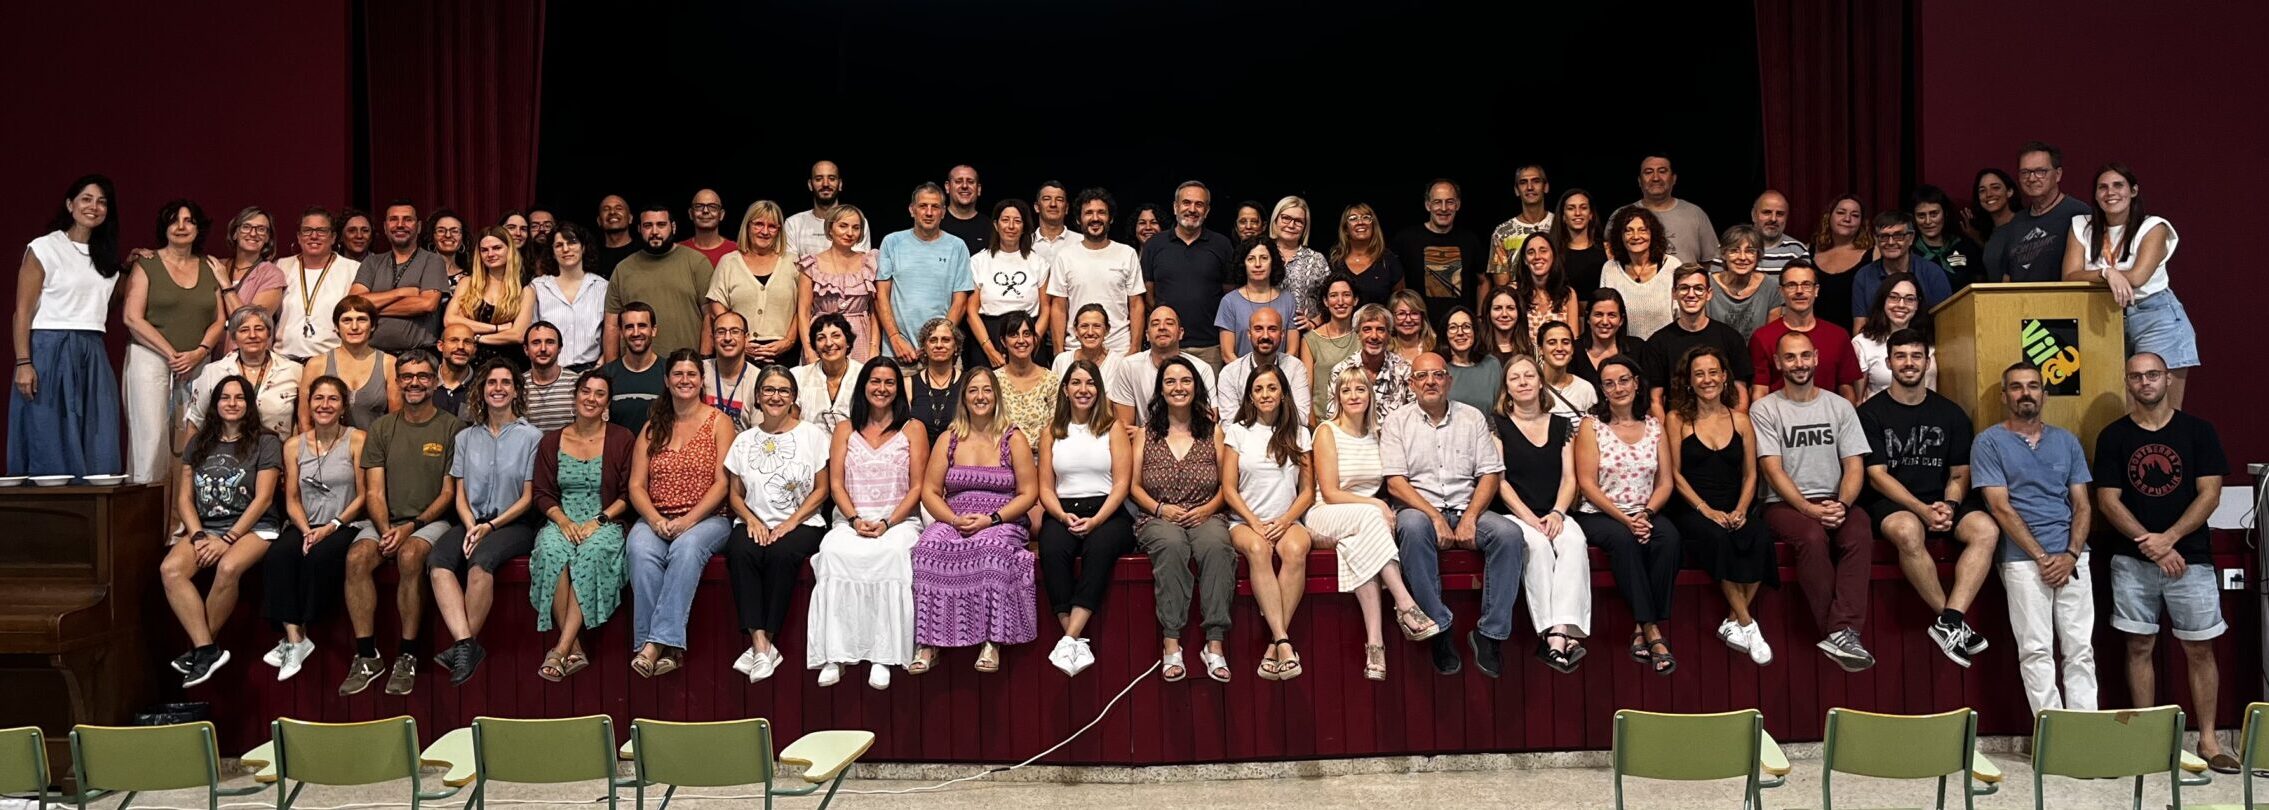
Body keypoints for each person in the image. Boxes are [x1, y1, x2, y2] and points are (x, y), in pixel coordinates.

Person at [2095, 352, 2234, 771]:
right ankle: (2148, 740)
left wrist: (2170, 539)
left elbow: (2210, 494)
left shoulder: (2199, 432)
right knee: (2139, 646)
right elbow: (2108, 500)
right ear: (2128, 383)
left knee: (2199, 648)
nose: (2145, 382)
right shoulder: (2113, 436)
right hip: (2131, 560)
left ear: (2168, 379)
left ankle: (2208, 740)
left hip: (2191, 560)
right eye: (2136, 376)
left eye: (2152, 374)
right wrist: (2150, 544)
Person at [1856, 328, 1996, 666]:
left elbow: (1960, 473)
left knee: (1986, 530)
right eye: (1901, 356)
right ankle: (1951, 622)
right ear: (1888, 362)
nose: (1909, 363)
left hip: (1941, 499)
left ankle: (1950, 619)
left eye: (1916, 356)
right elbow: (1877, 476)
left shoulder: (1951, 413)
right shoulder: (1870, 413)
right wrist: (1922, 510)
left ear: (1927, 362)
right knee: (1907, 531)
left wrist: (1949, 505)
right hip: (1894, 502)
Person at [1383, 353, 1521, 677]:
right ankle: (1439, 627)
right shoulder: (1396, 421)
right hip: (1419, 509)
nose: (1430, 382)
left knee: (1509, 534)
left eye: (1437, 375)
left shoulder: (1472, 418)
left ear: (1449, 380)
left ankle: (1490, 634)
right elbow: (1395, 483)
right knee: (1411, 528)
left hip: (1466, 507)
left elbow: (1489, 474)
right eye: (1422, 376)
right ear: (1411, 383)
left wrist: (1470, 517)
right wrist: (1435, 517)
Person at [338, 350, 464, 697]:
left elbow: (448, 494)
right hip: (386, 520)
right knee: (356, 558)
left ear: (434, 382)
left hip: (431, 521)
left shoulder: (452, 428)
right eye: (407, 376)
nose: (414, 383)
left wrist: (410, 528)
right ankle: (367, 656)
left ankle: (407, 655)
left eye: (422, 376)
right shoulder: (382, 428)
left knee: (410, 556)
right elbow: (374, 491)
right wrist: (385, 529)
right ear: (397, 382)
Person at [1973, 362, 2095, 713]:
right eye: (2016, 386)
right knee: (2036, 650)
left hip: (2074, 558)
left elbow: (2082, 505)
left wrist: (2071, 554)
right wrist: (2043, 558)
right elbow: (2001, 508)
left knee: (2080, 649)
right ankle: (2053, 732)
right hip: (2022, 561)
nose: (2025, 393)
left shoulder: (2067, 441)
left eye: (2032, 386)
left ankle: (2088, 729)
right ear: (2004, 396)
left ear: (2044, 394)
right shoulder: (1989, 442)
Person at [1752, 331, 1877, 672]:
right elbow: (1772, 470)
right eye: (1790, 357)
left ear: (1817, 358)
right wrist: (1808, 509)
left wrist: (1843, 505)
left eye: (1805, 356)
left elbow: (1854, 465)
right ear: (1778, 363)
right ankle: (1837, 632)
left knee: (1859, 529)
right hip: (1783, 504)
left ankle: (1844, 631)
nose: (1799, 364)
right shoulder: (1764, 409)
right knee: (1811, 536)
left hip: (1835, 500)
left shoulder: (1840, 406)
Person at [1308, 366, 1438, 681]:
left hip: (1362, 524)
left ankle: (1375, 646)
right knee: (1371, 518)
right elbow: (1330, 492)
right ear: (1338, 397)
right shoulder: (1326, 431)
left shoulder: (1376, 434)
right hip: (1326, 514)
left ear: (1370, 395)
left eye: (1360, 389)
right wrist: (1377, 505)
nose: (1353, 396)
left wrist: (1376, 507)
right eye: (1346, 390)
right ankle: (1405, 604)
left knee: (1359, 546)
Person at [911, 366, 1040, 674]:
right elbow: (930, 492)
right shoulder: (950, 438)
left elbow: (1029, 493)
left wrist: (992, 519)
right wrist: (954, 520)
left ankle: (992, 641)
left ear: (996, 396)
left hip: (1002, 519)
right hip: (956, 517)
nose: (980, 397)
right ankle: (928, 642)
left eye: (986, 390)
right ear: (964, 398)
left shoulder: (1013, 438)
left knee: (991, 549)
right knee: (927, 548)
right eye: (973, 390)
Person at [809, 362, 929, 689]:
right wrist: (853, 519)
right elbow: (836, 484)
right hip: (852, 518)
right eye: (875, 381)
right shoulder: (844, 429)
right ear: (863, 385)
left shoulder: (913, 429)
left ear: (898, 389)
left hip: (899, 519)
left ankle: (883, 655)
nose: (882, 388)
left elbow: (918, 486)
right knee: (833, 552)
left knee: (891, 555)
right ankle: (835, 654)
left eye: (889, 382)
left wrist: (889, 522)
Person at [158, 376, 283, 686]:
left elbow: (264, 498)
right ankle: (206, 649)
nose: (232, 403)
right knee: (170, 570)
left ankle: (201, 651)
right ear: (215, 404)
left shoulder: (266, 441)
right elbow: (184, 499)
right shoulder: (198, 442)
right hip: (206, 527)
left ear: (249, 404)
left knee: (227, 567)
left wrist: (228, 539)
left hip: (254, 527)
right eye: (225, 397)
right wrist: (199, 536)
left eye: (239, 397)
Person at [427, 359, 543, 685]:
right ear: (482, 389)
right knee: (438, 561)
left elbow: (527, 498)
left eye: (506, 382)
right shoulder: (465, 438)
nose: (498, 388)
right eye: (492, 382)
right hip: (471, 520)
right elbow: (460, 494)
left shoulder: (532, 437)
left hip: (514, 523)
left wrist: (489, 528)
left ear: (516, 391)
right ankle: (466, 644)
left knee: (481, 562)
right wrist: (470, 525)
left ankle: (463, 647)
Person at [625, 349, 735, 678]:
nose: (684, 380)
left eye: (691, 374)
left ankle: (652, 644)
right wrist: (654, 519)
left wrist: (688, 521)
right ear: (667, 380)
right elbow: (636, 486)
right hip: (657, 516)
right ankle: (665, 649)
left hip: (708, 518)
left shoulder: (719, 422)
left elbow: (723, 483)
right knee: (639, 548)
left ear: (701, 381)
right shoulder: (652, 427)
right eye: (678, 374)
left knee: (686, 549)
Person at [1665, 346, 1775, 665]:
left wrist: (1741, 509)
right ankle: (1748, 624)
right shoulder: (1677, 419)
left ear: (1725, 377)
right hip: (1692, 508)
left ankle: (1732, 620)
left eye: (1713, 372)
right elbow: (1674, 474)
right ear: (1689, 381)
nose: (1707, 379)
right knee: (1718, 538)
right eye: (1699, 374)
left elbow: (1751, 474)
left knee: (1760, 536)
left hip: (1734, 504)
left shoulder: (1741, 420)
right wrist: (1706, 510)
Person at [1572, 356, 1681, 675]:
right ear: (1602, 390)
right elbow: (1587, 484)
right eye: (1609, 383)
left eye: (1623, 380)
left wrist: (1645, 514)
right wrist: (1627, 520)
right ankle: (1652, 630)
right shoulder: (1591, 425)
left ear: (1636, 383)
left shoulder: (1654, 425)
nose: (1617, 388)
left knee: (1670, 539)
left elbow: (1665, 482)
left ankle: (1640, 626)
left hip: (1645, 510)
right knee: (1625, 541)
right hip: (1600, 513)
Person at [722, 365, 831, 684]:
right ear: (757, 396)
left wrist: (791, 523)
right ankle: (761, 646)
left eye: (784, 390)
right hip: (753, 520)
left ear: (794, 397)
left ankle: (762, 645)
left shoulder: (812, 435)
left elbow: (822, 489)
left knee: (781, 554)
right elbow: (735, 495)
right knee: (740, 551)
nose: (776, 396)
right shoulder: (744, 440)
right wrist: (751, 519)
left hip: (803, 522)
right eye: (768, 390)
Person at [1131, 356, 1235, 683]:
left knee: (1217, 547)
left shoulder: (1213, 432)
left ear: (1196, 387)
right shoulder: (1146, 433)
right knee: (1172, 545)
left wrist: (1209, 508)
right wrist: (1160, 509)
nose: (1179, 387)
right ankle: (1171, 642)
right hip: (1158, 516)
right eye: (1171, 381)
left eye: (1186, 381)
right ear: (1160, 390)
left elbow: (1227, 485)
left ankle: (1214, 643)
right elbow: (1133, 486)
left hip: (1206, 512)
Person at [11, 175, 124, 478]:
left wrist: (132, 265)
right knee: (49, 431)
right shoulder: (45, 247)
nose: (93, 207)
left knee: (97, 432)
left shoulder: (107, 257)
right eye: (86, 199)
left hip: (92, 349)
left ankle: (93, 504)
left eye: (101, 202)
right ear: (70, 204)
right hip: (49, 347)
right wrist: (23, 362)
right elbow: (22, 312)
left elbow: (103, 305)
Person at [2064, 163, 2199, 410]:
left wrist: (2106, 275)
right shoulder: (2081, 226)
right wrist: (2107, 272)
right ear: (2095, 195)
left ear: (2133, 191)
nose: (2110, 192)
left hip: (2155, 316)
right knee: (2117, 410)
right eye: (2103, 187)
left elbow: (2137, 277)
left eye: (2118, 185)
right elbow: (2070, 277)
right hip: (2103, 317)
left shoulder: (2154, 226)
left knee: (2162, 411)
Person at [528, 370, 632, 683]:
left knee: (592, 553)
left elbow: (628, 493)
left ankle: (560, 649)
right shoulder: (552, 441)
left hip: (605, 519)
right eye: (585, 391)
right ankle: (573, 648)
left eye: (600, 394)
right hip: (562, 518)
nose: (591, 399)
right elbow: (542, 493)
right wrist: (562, 521)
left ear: (608, 403)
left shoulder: (621, 438)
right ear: (574, 396)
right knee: (549, 551)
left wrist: (599, 521)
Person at [1035, 360, 1137, 676]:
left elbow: (1122, 484)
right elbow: (1045, 488)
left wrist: (1096, 520)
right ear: (1065, 390)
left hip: (1108, 511)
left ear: (1099, 389)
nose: (1083, 389)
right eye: (1076, 383)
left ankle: (1068, 639)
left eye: (1090, 383)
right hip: (1063, 511)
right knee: (1052, 548)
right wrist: (1061, 516)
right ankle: (1073, 640)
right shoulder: (1051, 431)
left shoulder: (1112, 427)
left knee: (1100, 548)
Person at [260, 375, 364, 682]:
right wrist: (306, 530)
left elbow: (364, 495)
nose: (325, 405)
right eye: (318, 398)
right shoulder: (294, 445)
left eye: (332, 399)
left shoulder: (358, 439)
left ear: (343, 406)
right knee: (278, 555)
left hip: (345, 522)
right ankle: (295, 637)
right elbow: (292, 498)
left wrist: (331, 527)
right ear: (309, 404)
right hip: (305, 523)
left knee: (318, 558)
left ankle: (299, 634)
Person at [1494, 354, 1592, 673]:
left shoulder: (1562, 425)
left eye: (1529, 376)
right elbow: (1500, 482)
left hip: (1554, 511)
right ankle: (1551, 633)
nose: (1523, 382)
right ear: (1507, 388)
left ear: (1540, 382)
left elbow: (1570, 478)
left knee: (1574, 543)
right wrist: (1529, 519)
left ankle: (1560, 631)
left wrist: (1558, 513)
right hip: (1516, 514)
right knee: (1536, 546)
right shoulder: (1498, 425)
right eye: (1515, 378)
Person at [1217, 365, 1316, 681]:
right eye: (1258, 389)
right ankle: (1284, 640)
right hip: (1245, 522)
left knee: (1297, 549)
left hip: (1287, 519)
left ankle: (1275, 645)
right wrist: (1254, 522)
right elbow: (1229, 489)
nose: (1265, 395)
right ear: (1249, 396)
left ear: (1283, 393)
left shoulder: (1300, 433)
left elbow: (1308, 491)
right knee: (1259, 549)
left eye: (1272, 388)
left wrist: (1286, 521)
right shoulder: (1238, 432)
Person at [124, 202, 224, 483]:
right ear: (164, 227)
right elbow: (132, 317)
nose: (181, 226)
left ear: (198, 228)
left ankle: (185, 510)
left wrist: (199, 353)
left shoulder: (209, 266)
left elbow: (220, 320)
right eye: (174, 220)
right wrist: (172, 355)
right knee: (151, 439)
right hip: (151, 357)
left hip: (198, 361)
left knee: (193, 438)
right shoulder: (147, 263)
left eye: (189, 220)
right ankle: (145, 507)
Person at [875, 183, 975, 363]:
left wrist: (938, 342)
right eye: (923, 206)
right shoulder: (892, 242)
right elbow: (881, 295)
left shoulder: (957, 246)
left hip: (942, 353)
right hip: (898, 351)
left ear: (943, 212)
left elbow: (960, 302)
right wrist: (895, 338)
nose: (929, 212)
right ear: (912, 210)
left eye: (935, 207)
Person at [1142, 181, 1236, 370]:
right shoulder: (1155, 245)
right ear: (1175, 207)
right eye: (1186, 203)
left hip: (1209, 346)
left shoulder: (1222, 245)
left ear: (1207, 211)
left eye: (1199, 204)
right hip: (1166, 345)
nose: (1192, 209)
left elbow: (1229, 296)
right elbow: (1149, 297)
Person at [605, 204, 715, 359]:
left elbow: (710, 316)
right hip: (636, 367)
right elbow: (612, 325)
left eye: (661, 225)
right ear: (639, 229)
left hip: (686, 366)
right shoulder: (623, 269)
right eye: (648, 226)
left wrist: (704, 360)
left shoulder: (697, 262)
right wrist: (611, 369)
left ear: (673, 227)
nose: (654, 232)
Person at [1046, 188, 1146, 357]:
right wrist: (1059, 352)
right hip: (1076, 349)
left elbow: (1136, 304)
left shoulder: (1127, 253)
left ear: (1110, 218)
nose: (1095, 218)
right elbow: (1058, 307)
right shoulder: (1065, 256)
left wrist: (1134, 349)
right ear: (1078, 219)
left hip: (1119, 350)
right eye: (1088, 213)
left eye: (1101, 212)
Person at [705, 200, 801, 366]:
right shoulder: (729, 262)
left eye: (772, 226)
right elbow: (716, 305)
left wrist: (789, 341)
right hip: (737, 354)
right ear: (748, 226)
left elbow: (804, 309)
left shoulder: (793, 263)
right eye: (758, 224)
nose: (765, 231)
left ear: (779, 230)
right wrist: (738, 340)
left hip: (785, 355)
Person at [1645, 266, 1752, 415]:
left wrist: (1735, 426)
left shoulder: (1731, 338)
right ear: (1674, 293)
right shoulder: (1657, 343)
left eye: (1698, 288)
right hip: (1678, 425)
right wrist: (1668, 430)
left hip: (1725, 423)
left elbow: (1741, 395)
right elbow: (1655, 400)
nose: (1691, 294)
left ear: (1709, 294)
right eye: (1684, 288)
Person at [1749, 261, 1861, 402]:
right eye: (1791, 285)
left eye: (1806, 285)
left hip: (1828, 414)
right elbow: (1760, 392)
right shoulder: (1762, 337)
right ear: (1781, 291)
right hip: (1778, 414)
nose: (1799, 291)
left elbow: (1847, 391)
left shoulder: (1838, 336)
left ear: (1816, 290)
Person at [184, 306, 302, 439]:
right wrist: (188, 453)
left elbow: (303, 423)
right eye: (244, 330)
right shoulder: (213, 372)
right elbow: (195, 422)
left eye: (259, 329)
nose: (252, 335)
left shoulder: (293, 371)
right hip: (225, 450)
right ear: (233, 337)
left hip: (276, 449)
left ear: (269, 334)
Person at [349, 200, 449, 355]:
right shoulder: (371, 262)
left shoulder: (432, 260)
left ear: (419, 227)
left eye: (407, 219)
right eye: (393, 219)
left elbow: (427, 304)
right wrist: (401, 293)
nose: (400, 225)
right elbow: (354, 303)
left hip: (417, 356)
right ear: (385, 227)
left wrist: (371, 308)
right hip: (371, 355)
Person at [1988, 141, 2092, 283]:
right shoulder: (2017, 221)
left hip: (2063, 297)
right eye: (2025, 172)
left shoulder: (2079, 214)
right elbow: (2008, 277)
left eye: (2040, 171)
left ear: (2058, 174)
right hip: (2019, 297)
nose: (2031, 178)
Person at [967, 199, 1050, 368]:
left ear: (1024, 227)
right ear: (996, 225)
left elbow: (1046, 309)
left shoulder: (1038, 263)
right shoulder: (978, 261)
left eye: (1017, 221)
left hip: (1028, 337)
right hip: (989, 337)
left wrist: (1032, 342)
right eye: (1005, 220)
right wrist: (990, 350)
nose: (1011, 226)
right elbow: (971, 311)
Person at [1107, 306, 1219, 428]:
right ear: (1147, 335)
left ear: (1180, 333)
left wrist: (1146, 434)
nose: (1162, 327)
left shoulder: (1201, 369)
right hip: (1140, 440)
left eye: (1169, 323)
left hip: (1188, 438)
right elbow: (1125, 426)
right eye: (1155, 324)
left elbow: (1208, 424)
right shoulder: (1129, 366)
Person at [299, 296, 399, 432]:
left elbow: (395, 420)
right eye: (347, 320)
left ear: (373, 326)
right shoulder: (316, 364)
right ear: (336, 327)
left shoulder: (389, 363)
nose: (354, 327)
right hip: (325, 444)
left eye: (362, 319)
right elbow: (304, 421)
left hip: (375, 443)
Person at [1392, 179, 1490, 318]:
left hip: (1460, 325)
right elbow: (1395, 285)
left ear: (1457, 205)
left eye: (1450, 202)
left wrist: (1480, 317)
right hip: (1418, 325)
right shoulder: (1406, 239)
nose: (1444, 208)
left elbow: (1483, 281)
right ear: (1428, 205)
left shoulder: (1470, 240)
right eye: (1437, 202)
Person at [275, 206, 360, 362]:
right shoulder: (281, 267)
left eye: (321, 231)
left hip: (331, 360)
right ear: (299, 237)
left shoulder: (352, 269)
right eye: (307, 230)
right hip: (284, 359)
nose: (314, 236)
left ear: (333, 237)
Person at [798, 205, 881, 362]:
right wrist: (809, 350)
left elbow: (875, 311)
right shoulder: (811, 264)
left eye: (856, 228)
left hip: (859, 339)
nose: (850, 233)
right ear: (830, 228)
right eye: (843, 226)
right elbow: (803, 313)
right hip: (823, 337)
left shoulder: (869, 262)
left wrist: (874, 347)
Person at [446, 227, 534, 370]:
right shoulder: (467, 283)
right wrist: (497, 328)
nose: (490, 254)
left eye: (497, 248)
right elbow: (450, 320)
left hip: (509, 365)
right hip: (471, 365)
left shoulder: (525, 291)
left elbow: (518, 335)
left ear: (509, 250)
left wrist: (477, 338)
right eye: (484, 250)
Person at [1850, 213, 1952, 331]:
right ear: (1876, 240)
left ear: (1911, 238)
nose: (1891, 242)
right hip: (1876, 341)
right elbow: (1860, 328)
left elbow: (1946, 323)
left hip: (1923, 340)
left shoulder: (1932, 273)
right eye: (1884, 236)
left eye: (1898, 236)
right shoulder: (1864, 276)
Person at [1215, 307, 1311, 430]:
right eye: (1258, 329)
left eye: (1272, 329)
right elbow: (1229, 425)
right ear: (1249, 334)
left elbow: (1302, 417)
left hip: (1286, 437)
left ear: (1282, 334)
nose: (1265, 336)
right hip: (1245, 441)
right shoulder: (1230, 373)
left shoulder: (1295, 367)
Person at [533, 223, 608, 372]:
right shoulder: (538, 287)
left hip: (592, 371)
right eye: (559, 245)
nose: (566, 249)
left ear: (583, 247)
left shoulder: (602, 287)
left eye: (572, 242)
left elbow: (612, 332)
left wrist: (600, 366)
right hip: (550, 372)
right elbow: (531, 334)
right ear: (552, 253)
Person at [1600, 206, 1683, 339]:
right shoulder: (1610, 269)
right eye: (1628, 231)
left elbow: (1681, 316)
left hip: (1666, 347)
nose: (1636, 236)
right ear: (1620, 236)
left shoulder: (1672, 266)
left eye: (1642, 230)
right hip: (1625, 348)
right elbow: (1605, 314)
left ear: (1653, 234)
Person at [1852, 274, 1937, 400]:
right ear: (1883, 300)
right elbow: (1858, 401)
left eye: (1910, 299)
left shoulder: (1931, 338)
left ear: (1918, 304)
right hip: (1881, 412)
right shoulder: (1863, 343)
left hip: (1928, 411)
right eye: (1893, 297)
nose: (1901, 305)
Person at [1322, 304, 1414, 420]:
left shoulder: (1405, 371)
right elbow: (1333, 418)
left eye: (1380, 330)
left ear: (1389, 335)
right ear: (1358, 334)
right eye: (1367, 329)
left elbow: (1415, 417)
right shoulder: (1340, 371)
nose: (1374, 336)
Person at [1621, 154, 1718, 264]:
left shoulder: (1695, 214)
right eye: (1648, 172)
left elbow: (1713, 263)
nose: (1656, 178)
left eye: (1662, 171)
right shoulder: (1622, 216)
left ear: (1673, 178)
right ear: (1639, 180)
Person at [1215, 237, 1296, 363]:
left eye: (1264, 258)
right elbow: (1227, 354)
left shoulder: (1288, 300)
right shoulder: (1229, 302)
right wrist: (1250, 374)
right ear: (1243, 264)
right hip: (1241, 374)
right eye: (1251, 259)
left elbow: (1292, 351)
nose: (1258, 264)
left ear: (1273, 262)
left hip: (1281, 372)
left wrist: (1275, 374)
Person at [1297, 273, 1361, 416]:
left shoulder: (1363, 337)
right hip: (1323, 419)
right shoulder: (1310, 340)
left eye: (1346, 295)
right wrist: (1311, 420)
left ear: (1355, 300)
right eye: (1333, 296)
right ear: (1326, 301)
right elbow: (1306, 389)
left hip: (1358, 418)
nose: (1340, 301)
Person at [598, 303, 665, 433]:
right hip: (618, 445)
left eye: (642, 326)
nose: (636, 333)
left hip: (660, 445)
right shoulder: (606, 375)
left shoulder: (669, 372)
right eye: (629, 327)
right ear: (621, 333)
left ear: (653, 330)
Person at [792, 314, 865, 433]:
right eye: (821, 338)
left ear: (848, 342)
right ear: (815, 346)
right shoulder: (799, 376)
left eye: (836, 336)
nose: (829, 343)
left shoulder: (864, 375)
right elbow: (791, 424)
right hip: (810, 443)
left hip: (853, 443)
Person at [213, 207, 287, 325]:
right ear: (235, 233)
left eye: (261, 229)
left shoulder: (272, 275)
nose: (253, 233)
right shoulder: (217, 266)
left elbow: (250, 323)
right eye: (246, 227)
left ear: (267, 237)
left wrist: (226, 285)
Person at [1706, 224, 1782, 339]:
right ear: (1723, 254)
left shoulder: (1771, 287)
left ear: (1758, 256)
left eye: (1750, 251)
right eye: (1734, 250)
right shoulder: (1707, 285)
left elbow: (1771, 337)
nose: (1742, 257)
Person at [1487, 164, 1555, 289]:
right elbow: (1502, 287)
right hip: (1517, 299)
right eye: (1523, 182)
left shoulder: (1559, 224)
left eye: (1536, 181)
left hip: (1557, 297)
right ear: (1516, 190)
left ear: (1545, 187)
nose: (1530, 187)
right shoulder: (1502, 233)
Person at [1807, 196, 1870, 330]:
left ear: (1862, 223)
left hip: (1853, 335)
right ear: (1828, 217)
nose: (1847, 219)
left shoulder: (1873, 254)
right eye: (1841, 213)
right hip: (1810, 334)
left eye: (1855, 215)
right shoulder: (1808, 251)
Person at [1271, 196, 1332, 332]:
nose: (1291, 225)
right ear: (1275, 220)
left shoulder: (1316, 259)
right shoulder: (1262, 254)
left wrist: (1314, 323)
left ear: (1305, 227)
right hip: (1264, 335)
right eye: (1286, 218)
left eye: (1298, 221)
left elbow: (1333, 300)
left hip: (1305, 337)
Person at [1329, 203, 1404, 311]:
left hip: (1379, 322)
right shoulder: (1334, 261)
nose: (1360, 222)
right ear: (1345, 229)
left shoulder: (1389, 260)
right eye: (1353, 218)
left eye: (1366, 217)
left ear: (1373, 226)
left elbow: (1400, 304)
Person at [993, 312, 1058, 438]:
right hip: (1003, 449)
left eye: (1027, 334)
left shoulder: (1051, 380)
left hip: (1043, 449)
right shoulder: (993, 381)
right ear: (1003, 341)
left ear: (1034, 339)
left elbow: (1055, 428)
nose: (1021, 340)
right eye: (1014, 335)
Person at [786, 161, 868, 258]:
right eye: (818, 179)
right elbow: (790, 264)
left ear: (840, 184)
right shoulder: (793, 224)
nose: (825, 184)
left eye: (832, 179)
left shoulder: (857, 222)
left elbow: (858, 262)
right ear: (810, 185)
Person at [1911, 185, 1983, 291]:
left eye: (1934, 214)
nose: (1928, 221)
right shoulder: (1910, 251)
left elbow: (1979, 285)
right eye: (1921, 216)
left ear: (1945, 213)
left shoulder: (1964, 246)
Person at [1512, 233, 1579, 346]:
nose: (1537, 256)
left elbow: (1573, 340)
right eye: (1531, 252)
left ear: (1553, 255)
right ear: (1525, 260)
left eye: (1543, 251)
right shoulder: (1514, 292)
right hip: (1523, 356)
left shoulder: (1568, 294)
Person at [1573, 289, 1648, 388]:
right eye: (1598, 314)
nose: (1605, 321)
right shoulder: (1574, 351)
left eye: (1612, 315)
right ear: (1588, 318)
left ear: (1621, 320)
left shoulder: (1637, 348)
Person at [703, 311, 760, 433]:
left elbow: (758, 435)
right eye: (721, 332)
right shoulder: (699, 371)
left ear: (746, 338)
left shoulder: (758, 379)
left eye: (735, 331)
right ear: (712, 338)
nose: (727, 338)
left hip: (743, 444)